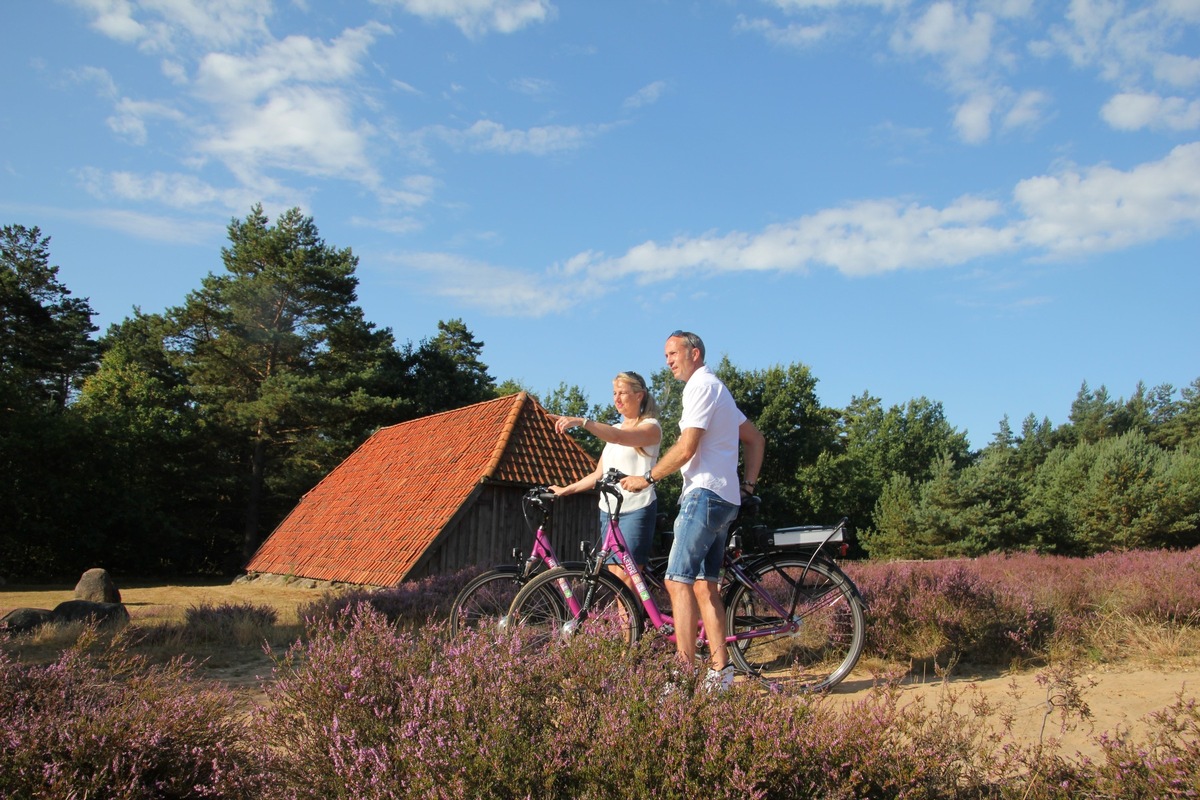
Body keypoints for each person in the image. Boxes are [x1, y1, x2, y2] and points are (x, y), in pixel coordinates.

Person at [621, 331, 765, 692]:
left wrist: (647, 477)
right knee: (705, 586)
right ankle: (721, 674)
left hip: (703, 494)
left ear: (695, 353)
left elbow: (686, 448)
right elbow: (755, 438)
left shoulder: (700, 386)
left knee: (676, 580)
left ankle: (682, 675)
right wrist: (747, 486)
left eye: (673, 353)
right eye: (665, 354)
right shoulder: (720, 389)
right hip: (724, 497)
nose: (667, 360)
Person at [548, 371, 662, 594]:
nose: (617, 398)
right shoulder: (615, 430)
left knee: (627, 581)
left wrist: (582, 422)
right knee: (615, 581)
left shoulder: (650, 426)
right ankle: (628, 628)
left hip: (637, 508)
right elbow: (597, 474)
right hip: (609, 512)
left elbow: (620, 438)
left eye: (622, 393)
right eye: (614, 393)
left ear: (639, 395)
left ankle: (633, 628)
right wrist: (565, 490)